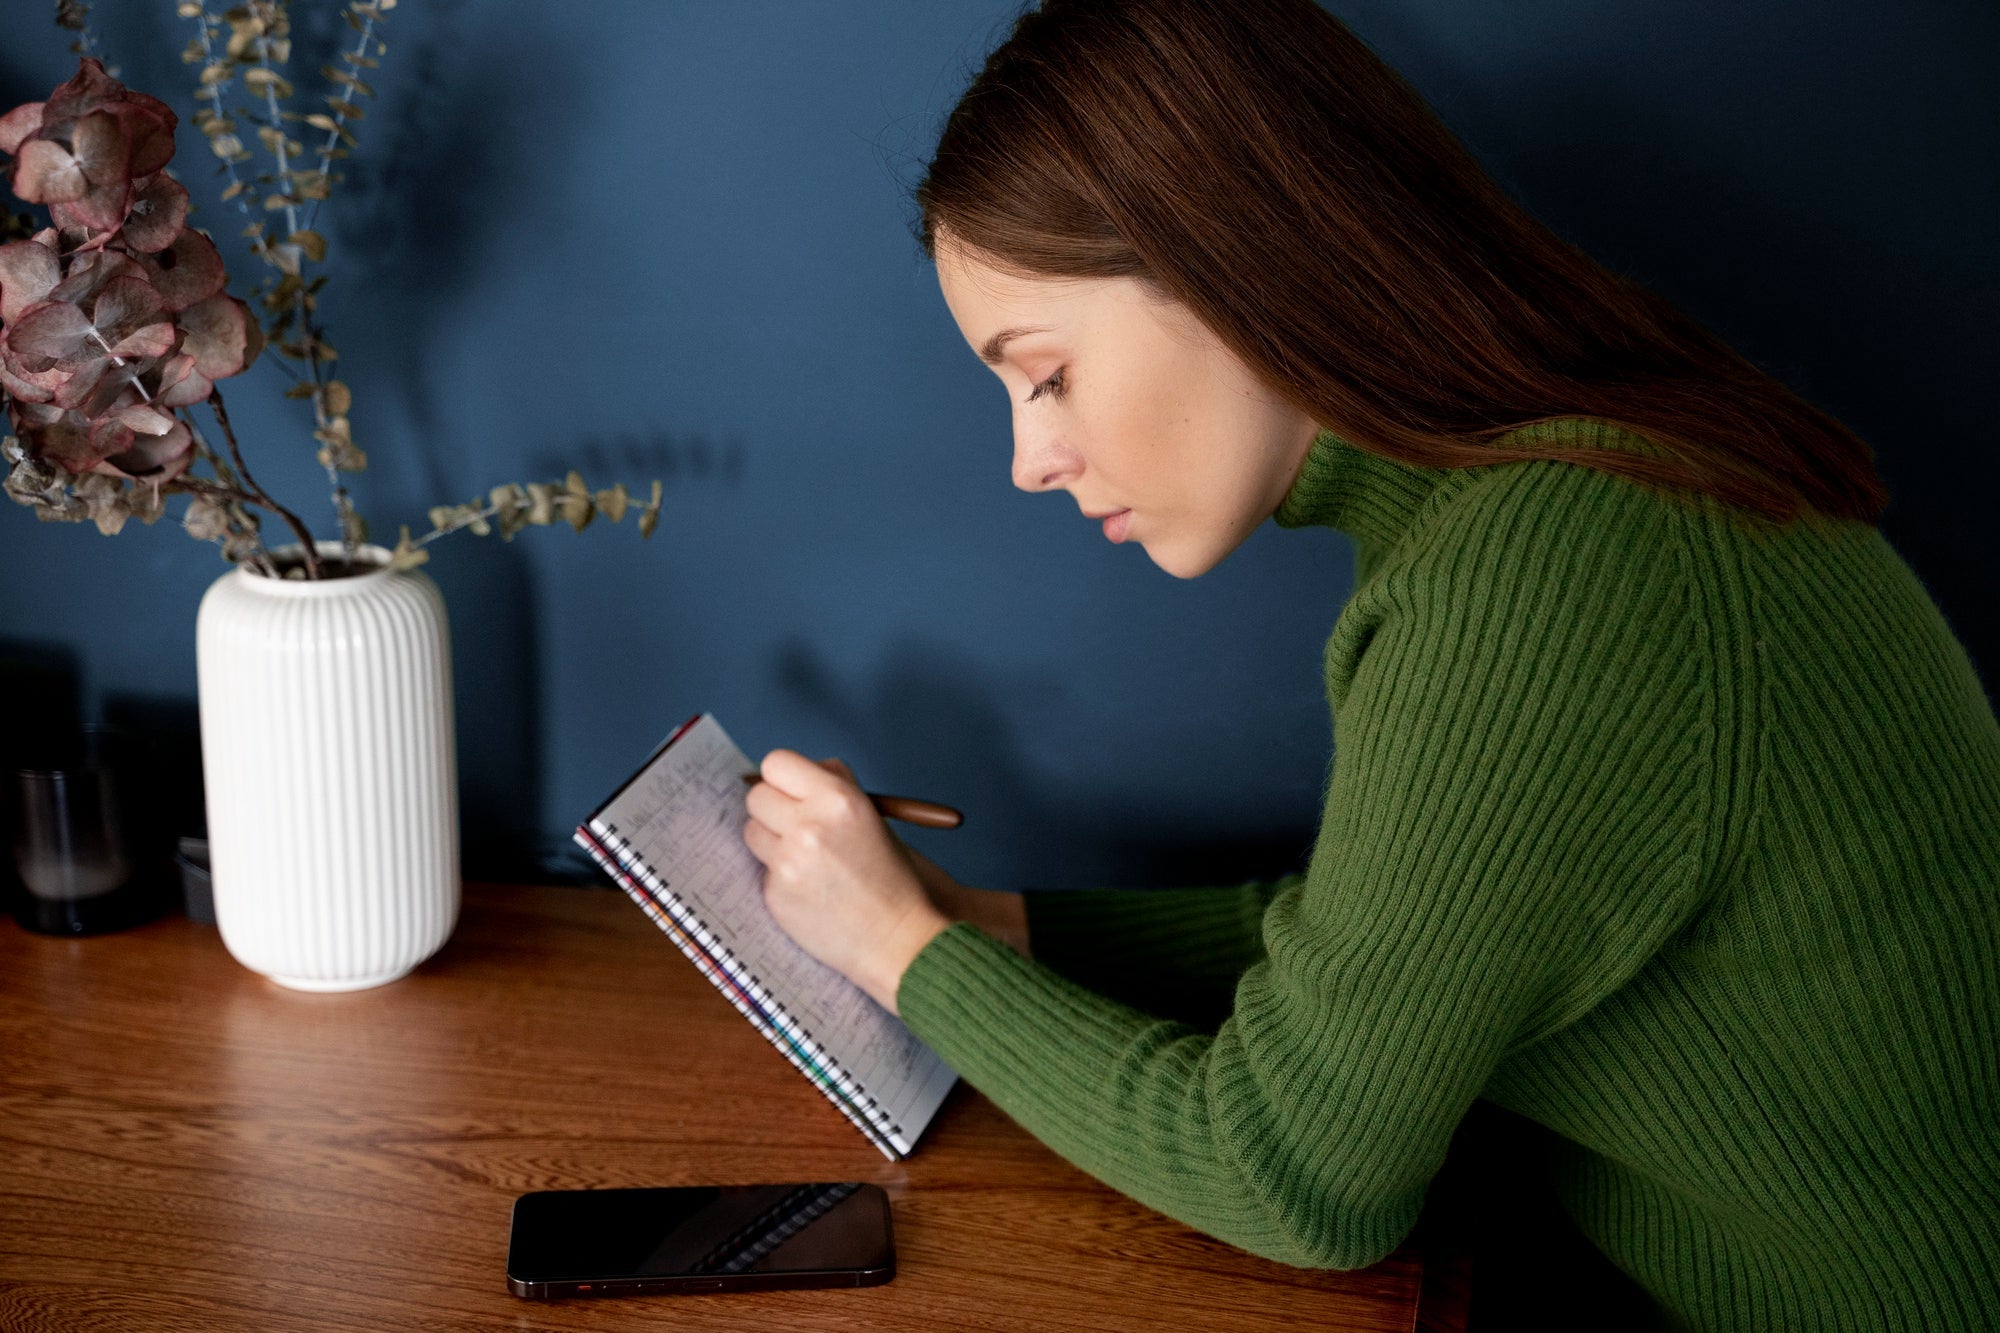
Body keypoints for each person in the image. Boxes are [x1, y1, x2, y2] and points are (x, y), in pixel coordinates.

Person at [738, 2, 2000, 1328]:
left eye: (1044, 376)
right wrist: (999, 928)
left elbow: (1298, 1179)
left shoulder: (1551, 577)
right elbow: (1386, 937)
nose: (1028, 457)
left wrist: (903, 950)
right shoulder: (1551, 496)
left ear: (1228, 262)